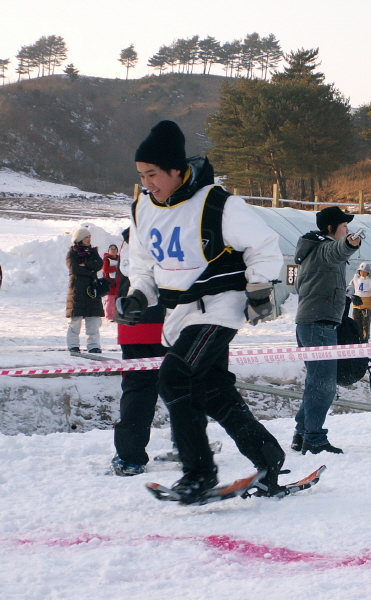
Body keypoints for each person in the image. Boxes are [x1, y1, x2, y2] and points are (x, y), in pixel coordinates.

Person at [117, 120, 288, 502]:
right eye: (142, 176)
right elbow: (143, 266)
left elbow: (264, 244)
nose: (148, 184)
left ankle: (198, 474)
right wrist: (137, 297)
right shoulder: (142, 208)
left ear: (176, 170)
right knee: (212, 390)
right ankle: (268, 457)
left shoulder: (218, 204)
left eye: (153, 175)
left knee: (174, 378)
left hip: (219, 307)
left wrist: (259, 287)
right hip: (179, 314)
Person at [293, 205, 362, 455]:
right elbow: (337, 250)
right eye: (344, 226)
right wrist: (350, 243)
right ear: (331, 228)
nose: (348, 230)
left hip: (315, 323)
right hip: (318, 325)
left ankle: (302, 434)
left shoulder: (315, 249)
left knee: (316, 383)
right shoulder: (323, 249)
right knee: (323, 385)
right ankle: (313, 438)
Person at [110, 229, 168, 476]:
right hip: (170, 324)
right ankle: (191, 448)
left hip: (133, 326)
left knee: (136, 390)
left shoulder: (127, 242)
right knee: (182, 387)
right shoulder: (171, 234)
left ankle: (130, 457)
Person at [66, 226, 104, 353]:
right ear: (80, 238)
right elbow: (74, 269)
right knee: (75, 322)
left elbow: (99, 264)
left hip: (92, 292)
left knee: (93, 321)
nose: (88, 239)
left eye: (89, 237)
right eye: (86, 237)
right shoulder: (72, 253)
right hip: (77, 292)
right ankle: (73, 346)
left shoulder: (93, 252)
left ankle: (94, 346)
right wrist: (90, 269)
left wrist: (86, 265)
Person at [350, 262, 371, 341]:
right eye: (361, 271)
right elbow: (350, 288)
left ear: (368, 272)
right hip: (356, 305)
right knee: (356, 323)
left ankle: (365, 339)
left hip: (367, 305)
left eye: (364, 271)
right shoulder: (355, 279)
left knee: (365, 324)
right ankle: (356, 338)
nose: (363, 273)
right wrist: (351, 296)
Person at [102, 244, 120, 321]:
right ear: (108, 251)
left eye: (115, 249)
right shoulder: (106, 260)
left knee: (117, 300)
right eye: (111, 249)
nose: (113, 250)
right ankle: (108, 316)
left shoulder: (120, 259)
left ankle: (115, 315)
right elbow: (105, 269)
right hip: (109, 283)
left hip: (118, 283)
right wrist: (115, 268)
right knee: (110, 300)